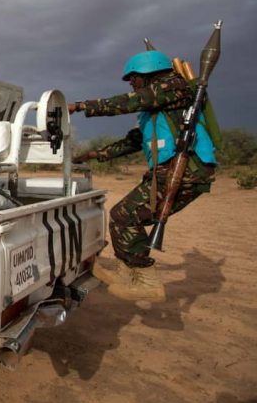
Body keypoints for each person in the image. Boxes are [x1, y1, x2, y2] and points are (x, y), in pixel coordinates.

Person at [68, 50, 217, 302]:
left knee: (123, 216)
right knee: (123, 216)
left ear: (148, 73)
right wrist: (93, 154)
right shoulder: (158, 107)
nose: (131, 84)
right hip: (168, 172)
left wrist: (82, 106)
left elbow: (129, 101)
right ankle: (129, 275)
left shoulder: (174, 87)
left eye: (133, 78)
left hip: (186, 171)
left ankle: (147, 281)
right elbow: (134, 141)